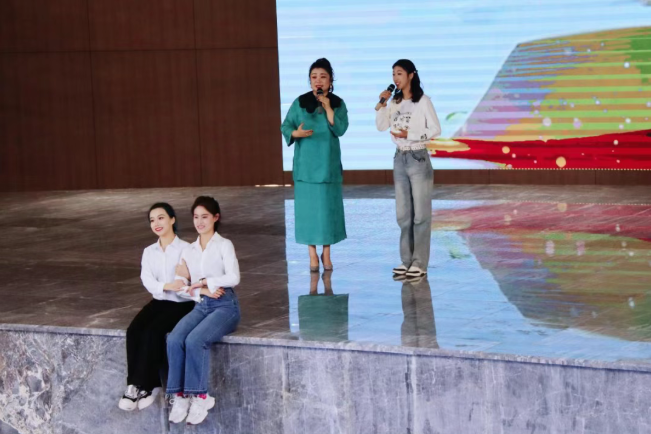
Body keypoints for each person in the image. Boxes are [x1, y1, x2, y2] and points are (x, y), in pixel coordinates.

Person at [165, 196, 241, 425]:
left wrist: (207, 281)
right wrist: (202, 290)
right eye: (196, 217)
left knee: (195, 340)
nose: (199, 222)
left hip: (225, 306)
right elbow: (180, 287)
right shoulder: (188, 250)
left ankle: (200, 397)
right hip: (202, 303)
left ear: (216, 218)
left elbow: (234, 277)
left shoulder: (224, 245)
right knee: (174, 339)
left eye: (205, 217)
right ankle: (179, 395)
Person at [119, 203, 194, 411]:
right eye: (152, 220)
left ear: (172, 219)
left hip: (181, 304)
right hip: (159, 300)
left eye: (161, 218)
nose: (156, 223)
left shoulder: (186, 249)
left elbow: (184, 283)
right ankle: (135, 385)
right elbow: (147, 280)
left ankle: (147, 386)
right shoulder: (149, 251)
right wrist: (166, 286)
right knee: (133, 331)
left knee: (153, 332)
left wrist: (172, 286)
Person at [281, 58, 349, 272]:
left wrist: (328, 109)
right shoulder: (299, 102)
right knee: (308, 214)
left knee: (327, 213)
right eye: (314, 77)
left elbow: (341, 129)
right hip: (306, 168)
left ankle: (326, 253)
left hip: (328, 166)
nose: (318, 81)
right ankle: (311, 254)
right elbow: (286, 126)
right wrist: (296, 133)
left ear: (330, 81)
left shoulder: (338, 103)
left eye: (323, 77)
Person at [376, 59, 442, 278]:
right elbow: (381, 126)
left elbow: (435, 129)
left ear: (411, 75)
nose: (395, 78)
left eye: (399, 73)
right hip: (399, 158)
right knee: (403, 215)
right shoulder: (394, 102)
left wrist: (410, 135)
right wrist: (382, 105)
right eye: (393, 74)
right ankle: (406, 261)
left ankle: (419, 263)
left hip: (418, 157)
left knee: (420, 215)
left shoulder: (422, 101)